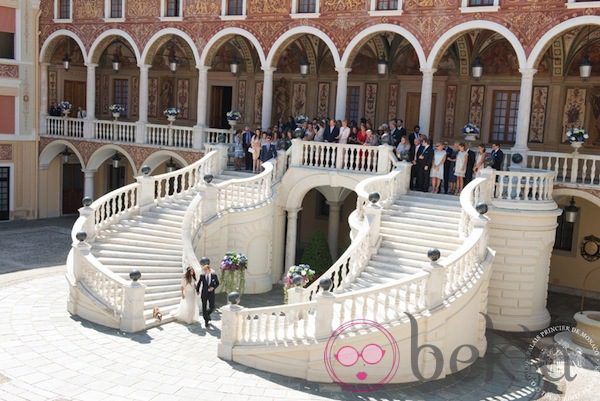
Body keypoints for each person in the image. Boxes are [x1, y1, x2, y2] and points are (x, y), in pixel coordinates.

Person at [196, 258, 219, 328]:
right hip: (204, 294)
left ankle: (207, 315)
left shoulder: (214, 276)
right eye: (204, 270)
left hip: (211, 294)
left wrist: (213, 287)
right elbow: (199, 284)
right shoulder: (202, 276)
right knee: (204, 307)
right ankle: (206, 321)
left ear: (209, 270)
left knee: (212, 307)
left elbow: (217, 283)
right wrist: (197, 290)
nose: (205, 271)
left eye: (206, 270)